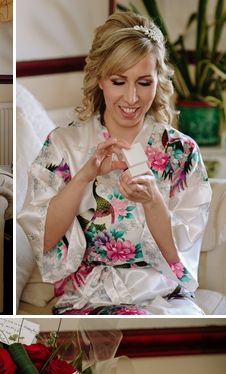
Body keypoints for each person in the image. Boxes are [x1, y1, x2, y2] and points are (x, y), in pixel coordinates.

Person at [18, 12, 211, 315]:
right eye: (119, 81)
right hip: (88, 296)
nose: (132, 98)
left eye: (144, 82)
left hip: (164, 295)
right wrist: (83, 178)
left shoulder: (181, 152)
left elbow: (181, 259)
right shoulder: (62, 145)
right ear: (100, 80)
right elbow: (43, 241)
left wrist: (153, 201)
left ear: (158, 80)